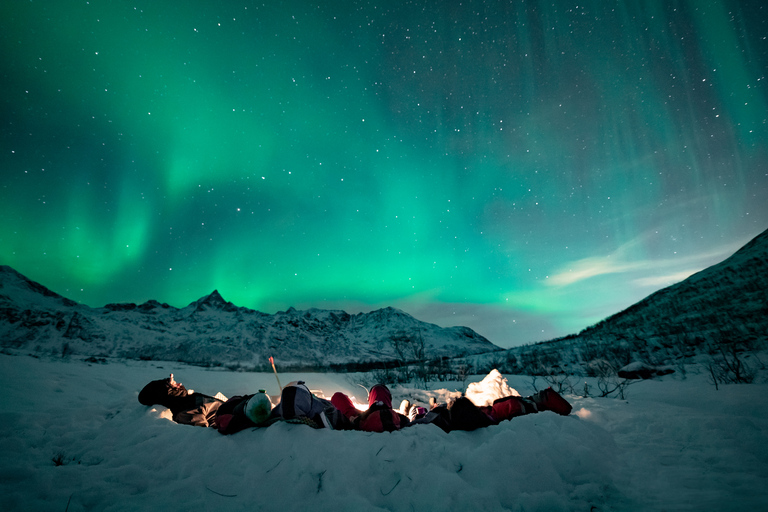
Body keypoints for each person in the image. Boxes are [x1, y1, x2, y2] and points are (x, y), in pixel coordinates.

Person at [412, 387, 572, 432]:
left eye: (541, 395)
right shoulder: (524, 406)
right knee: (434, 412)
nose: (537, 393)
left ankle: (417, 412)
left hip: (462, 416)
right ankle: (423, 410)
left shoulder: (517, 407)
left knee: (427, 416)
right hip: (470, 414)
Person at [137, 373, 224, 428]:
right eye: (174, 385)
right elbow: (202, 433)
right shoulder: (184, 412)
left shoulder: (190, 399)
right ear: (166, 394)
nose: (180, 384)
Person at [331, 384, 410, 433]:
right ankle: (384, 403)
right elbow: (406, 420)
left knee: (338, 397)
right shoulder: (396, 418)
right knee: (379, 391)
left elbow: (355, 421)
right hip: (382, 415)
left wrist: (355, 418)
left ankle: (377, 403)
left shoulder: (362, 420)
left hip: (365, 419)